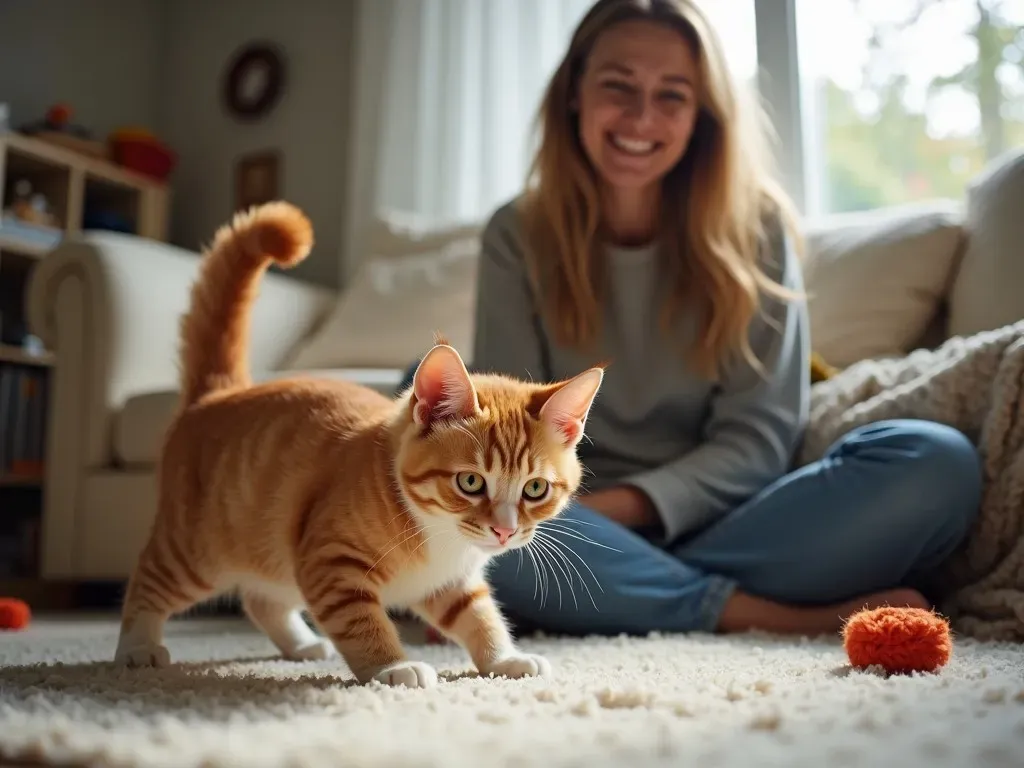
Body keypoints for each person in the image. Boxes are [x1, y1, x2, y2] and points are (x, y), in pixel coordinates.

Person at [401, 0, 982, 636]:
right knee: (442, 495)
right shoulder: (516, 233)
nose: (641, 117)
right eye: (618, 86)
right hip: (557, 520)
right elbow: (507, 427)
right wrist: (560, 525)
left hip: (725, 521)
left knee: (935, 463)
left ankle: (623, 593)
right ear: (575, 95)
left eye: (671, 96)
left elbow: (758, 442)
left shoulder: (756, 228)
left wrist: (624, 531)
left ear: (702, 115)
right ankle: (755, 614)